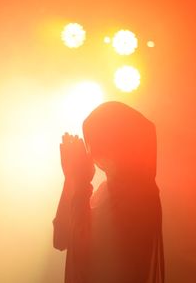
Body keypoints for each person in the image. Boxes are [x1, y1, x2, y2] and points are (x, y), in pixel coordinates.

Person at [53, 101, 165, 283]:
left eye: (95, 141)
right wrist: (71, 180)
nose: (91, 152)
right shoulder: (104, 192)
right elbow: (61, 239)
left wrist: (79, 181)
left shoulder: (140, 195)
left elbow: (90, 251)